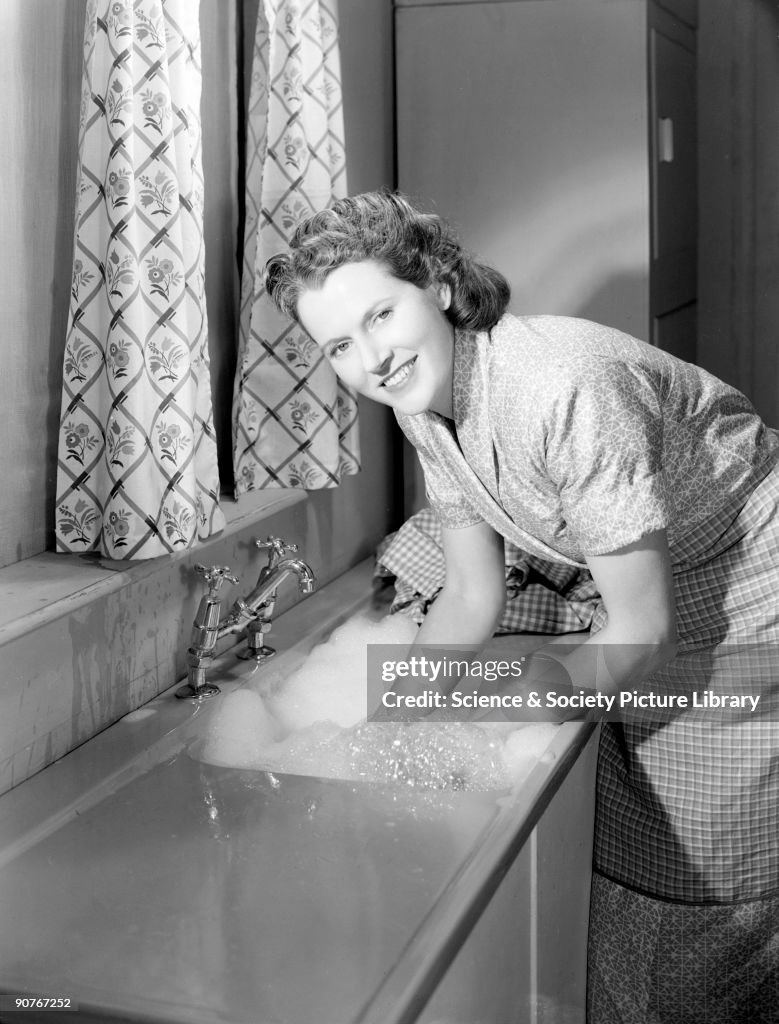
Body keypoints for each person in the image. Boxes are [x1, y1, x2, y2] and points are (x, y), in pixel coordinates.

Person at [264, 189, 779, 1023]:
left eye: (380, 315)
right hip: (655, 594)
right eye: (338, 347)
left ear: (434, 285)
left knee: (706, 885)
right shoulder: (426, 404)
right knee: (624, 856)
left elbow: (640, 638)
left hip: (753, 593)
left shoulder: (558, 387)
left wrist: (487, 717)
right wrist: (390, 723)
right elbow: (470, 591)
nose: (372, 357)